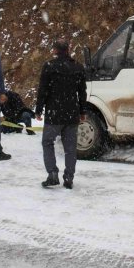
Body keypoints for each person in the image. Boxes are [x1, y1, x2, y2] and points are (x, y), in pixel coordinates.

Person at [35, 39, 87, 189]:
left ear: (55, 51)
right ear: (68, 49)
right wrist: (82, 110)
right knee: (70, 148)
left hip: (54, 113)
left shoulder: (49, 66)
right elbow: (82, 92)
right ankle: (69, 177)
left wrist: (39, 110)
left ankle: (52, 173)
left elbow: (43, 90)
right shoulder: (78, 67)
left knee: (47, 142)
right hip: (72, 113)